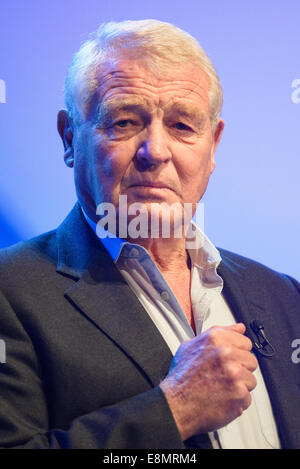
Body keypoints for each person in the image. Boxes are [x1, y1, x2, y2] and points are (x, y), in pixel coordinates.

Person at [0, 19, 299, 450]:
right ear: (69, 138)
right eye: (124, 122)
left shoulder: (284, 298)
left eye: (182, 126)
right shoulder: (11, 292)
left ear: (213, 145)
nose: (155, 151)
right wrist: (173, 410)